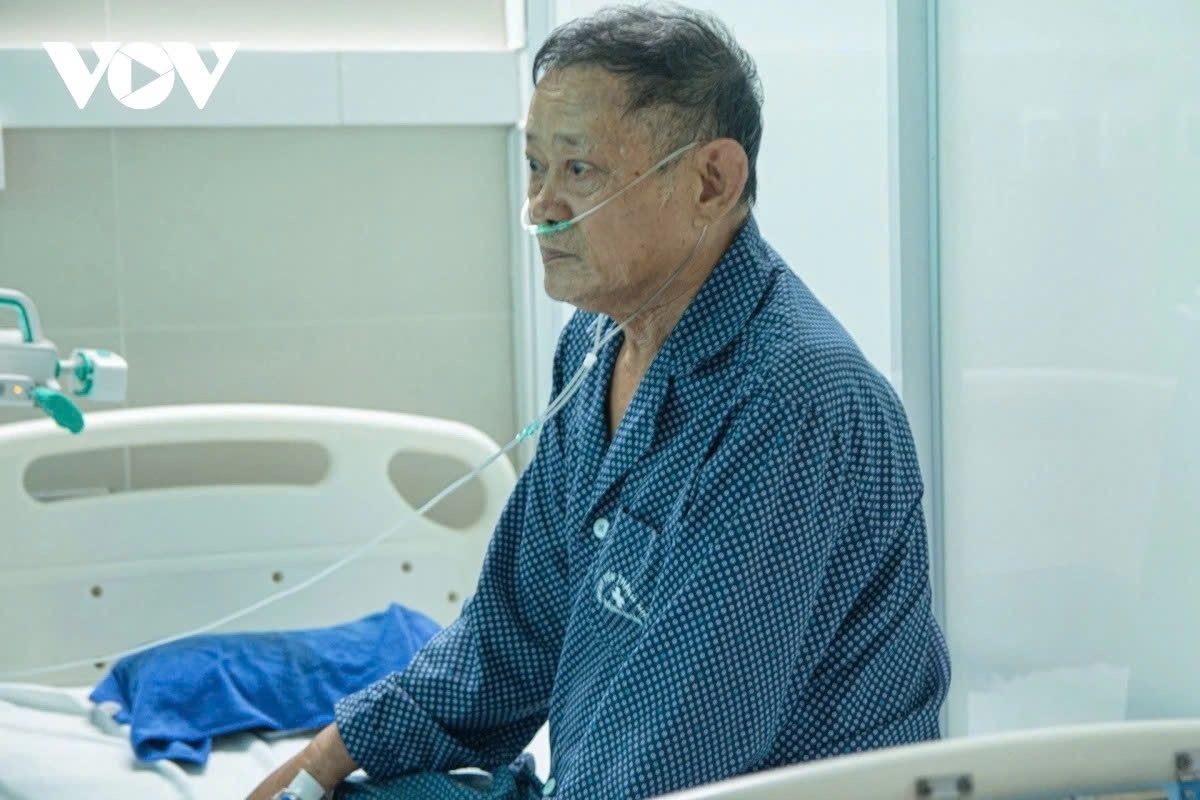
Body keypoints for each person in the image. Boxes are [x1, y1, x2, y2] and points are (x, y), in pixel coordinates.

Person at [249, 4, 950, 798]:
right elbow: (512, 636)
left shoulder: (795, 402)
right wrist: (318, 765)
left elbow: (678, 747)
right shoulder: (594, 347)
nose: (542, 206)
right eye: (535, 166)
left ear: (711, 182)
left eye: (579, 170)